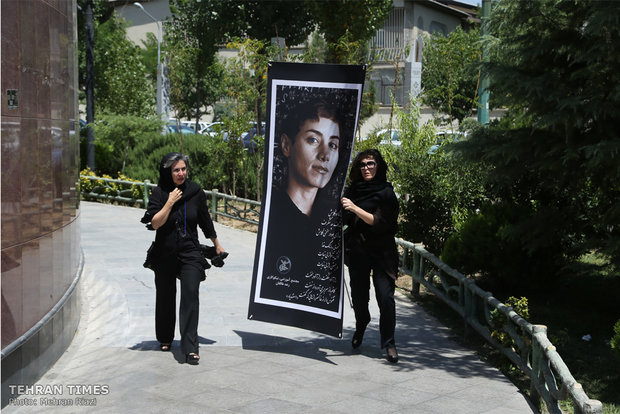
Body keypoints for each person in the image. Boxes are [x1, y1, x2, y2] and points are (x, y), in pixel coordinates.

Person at [141, 152, 226, 365]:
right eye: (176, 170)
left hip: (190, 252)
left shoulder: (195, 191)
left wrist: (216, 244)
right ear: (168, 172)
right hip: (164, 252)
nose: (181, 173)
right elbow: (154, 224)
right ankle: (165, 337)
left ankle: (190, 347)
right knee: (165, 295)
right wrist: (169, 202)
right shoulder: (160, 193)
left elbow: (205, 221)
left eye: (183, 169)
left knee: (190, 294)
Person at [260, 100, 344, 308]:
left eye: (333, 145)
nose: (325, 155)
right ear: (287, 145)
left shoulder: (330, 219)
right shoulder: (274, 215)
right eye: (314, 140)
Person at [341, 149, 400, 363]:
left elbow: (380, 221)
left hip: (382, 252)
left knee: (385, 298)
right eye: (363, 164)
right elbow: (342, 217)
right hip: (358, 251)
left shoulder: (386, 192)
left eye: (371, 164)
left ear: (378, 166)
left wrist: (355, 208)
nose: (366, 168)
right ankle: (361, 325)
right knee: (359, 297)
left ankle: (389, 343)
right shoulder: (353, 190)